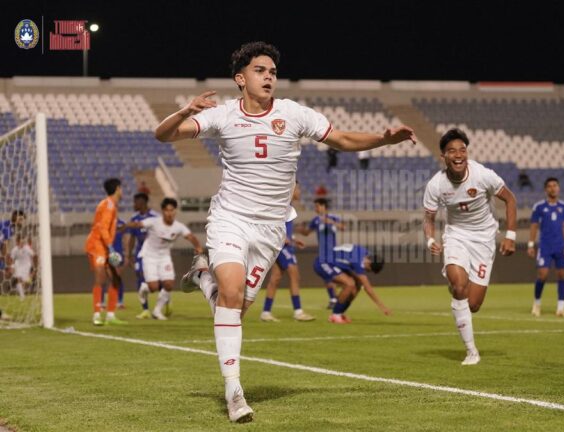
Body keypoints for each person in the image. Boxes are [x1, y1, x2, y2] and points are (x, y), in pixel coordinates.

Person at [156, 41, 416, 422]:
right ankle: (234, 394)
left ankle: (202, 276)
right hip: (231, 218)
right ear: (240, 79)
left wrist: (383, 139)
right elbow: (163, 135)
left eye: (273, 72)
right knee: (231, 293)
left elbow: (341, 139)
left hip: (272, 228)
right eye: (260, 71)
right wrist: (186, 109)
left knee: (236, 309)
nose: (269, 77)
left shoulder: (294, 114)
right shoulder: (223, 115)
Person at [423, 128, 517, 366]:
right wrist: (431, 240)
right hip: (456, 237)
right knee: (458, 284)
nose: (458, 154)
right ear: (443, 156)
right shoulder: (436, 185)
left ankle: (459, 290)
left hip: (484, 240)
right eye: (452, 151)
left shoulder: (483, 174)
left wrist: (511, 235)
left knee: (473, 304)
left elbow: (510, 199)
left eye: (462, 150)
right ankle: (471, 351)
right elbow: (429, 218)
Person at [132, 198, 202, 320]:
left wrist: (198, 246)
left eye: (172, 210)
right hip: (150, 255)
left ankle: (157, 311)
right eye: (167, 210)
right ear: (163, 211)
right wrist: (125, 226)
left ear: (175, 211)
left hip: (164, 257)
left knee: (169, 284)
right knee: (153, 287)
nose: (169, 213)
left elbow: (190, 236)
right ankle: (145, 288)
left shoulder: (178, 226)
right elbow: (138, 224)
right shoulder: (154, 222)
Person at [260, 183, 315, 322]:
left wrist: (294, 239)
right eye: (298, 188)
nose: (300, 191)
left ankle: (266, 313)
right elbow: (271, 223)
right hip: (282, 247)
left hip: (284, 245)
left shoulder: (288, 206)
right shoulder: (282, 206)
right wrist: (281, 238)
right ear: (291, 189)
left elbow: (285, 229)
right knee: (294, 275)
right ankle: (298, 311)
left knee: (276, 278)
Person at [84, 178, 126, 326]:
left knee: (115, 279)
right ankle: (96, 315)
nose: (122, 191)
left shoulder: (110, 204)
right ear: (117, 189)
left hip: (104, 246)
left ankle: (110, 315)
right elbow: (101, 228)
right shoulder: (108, 205)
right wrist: (111, 247)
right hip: (97, 246)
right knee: (100, 278)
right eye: (121, 188)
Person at [527, 177, 564, 317]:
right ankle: (537, 303)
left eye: (555, 185)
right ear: (546, 189)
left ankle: (561, 308)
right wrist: (531, 244)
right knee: (543, 275)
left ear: (558, 188)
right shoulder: (539, 207)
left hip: (560, 246)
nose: (553, 188)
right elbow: (534, 226)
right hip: (545, 246)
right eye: (550, 186)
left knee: (562, 275)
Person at [294, 198, 344, 308]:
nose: (315, 208)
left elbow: (343, 227)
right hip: (323, 254)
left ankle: (336, 297)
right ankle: (333, 299)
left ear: (323, 206)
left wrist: (332, 223)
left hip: (333, 253)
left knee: (334, 277)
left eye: (317, 206)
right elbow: (307, 233)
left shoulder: (333, 217)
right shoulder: (316, 220)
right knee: (328, 277)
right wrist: (301, 230)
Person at [323, 243, 390, 323]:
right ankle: (335, 315)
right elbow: (368, 288)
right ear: (368, 262)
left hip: (338, 263)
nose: (367, 271)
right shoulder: (359, 261)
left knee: (357, 285)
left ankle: (339, 313)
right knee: (350, 284)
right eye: (368, 269)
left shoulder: (366, 254)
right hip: (325, 262)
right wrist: (382, 306)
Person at [126, 193, 159, 319]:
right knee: (140, 276)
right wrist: (129, 255)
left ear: (142, 202)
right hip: (140, 254)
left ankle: (164, 299)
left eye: (136, 202)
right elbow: (132, 238)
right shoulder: (134, 219)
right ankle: (145, 309)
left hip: (155, 254)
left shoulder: (155, 217)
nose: (134, 205)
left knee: (155, 281)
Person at [0, 210, 25, 285]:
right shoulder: (8, 227)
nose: (22, 221)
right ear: (15, 217)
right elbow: (4, 244)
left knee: (6, 266)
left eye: (23, 220)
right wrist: (5, 258)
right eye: (20, 219)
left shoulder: (11, 227)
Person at [9, 234, 35, 299]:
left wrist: (34, 266)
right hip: (18, 265)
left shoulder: (27, 248)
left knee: (24, 282)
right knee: (18, 279)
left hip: (26, 265)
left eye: (23, 242)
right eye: (21, 242)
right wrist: (12, 267)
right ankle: (22, 296)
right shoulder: (14, 250)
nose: (22, 244)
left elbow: (33, 254)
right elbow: (12, 259)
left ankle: (23, 289)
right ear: (17, 242)